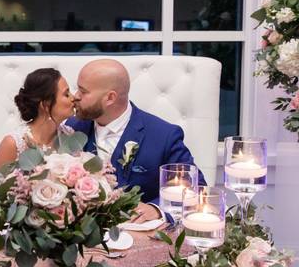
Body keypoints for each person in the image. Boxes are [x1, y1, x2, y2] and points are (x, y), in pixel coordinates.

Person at [65, 58, 203, 222]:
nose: (75, 97)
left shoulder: (163, 135)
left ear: (110, 98)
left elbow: (197, 188)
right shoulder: (72, 127)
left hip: (139, 237)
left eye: (83, 91)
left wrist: (156, 209)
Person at [0, 68, 76, 171]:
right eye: (66, 94)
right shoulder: (13, 144)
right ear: (45, 105)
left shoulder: (70, 136)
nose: (73, 98)